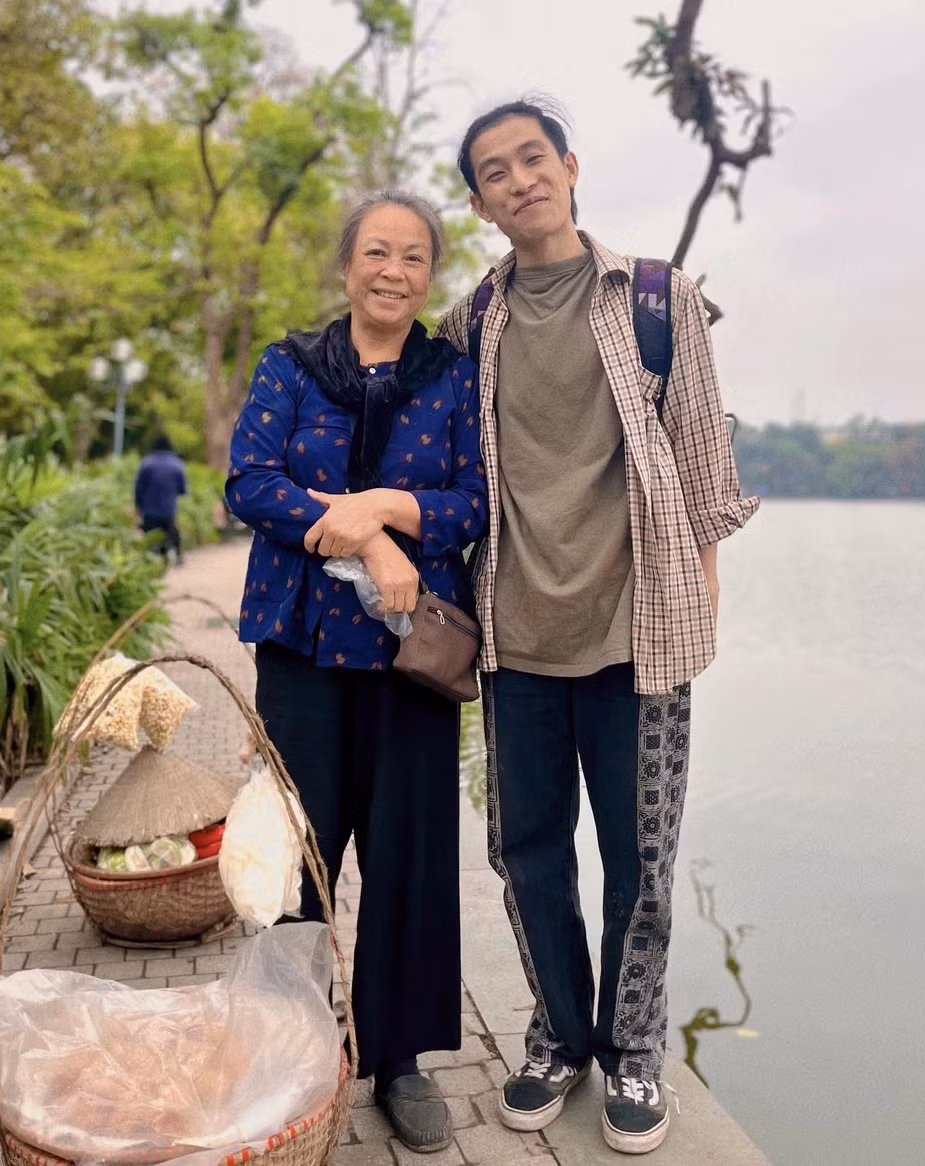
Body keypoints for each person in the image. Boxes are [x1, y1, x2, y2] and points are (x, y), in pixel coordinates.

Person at [436, 100, 759, 1154]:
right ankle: (558, 1035)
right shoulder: (472, 322)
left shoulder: (656, 298)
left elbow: (707, 460)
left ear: (569, 167)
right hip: (515, 631)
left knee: (640, 861)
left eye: (534, 156)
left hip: (638, 632)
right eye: (496, 170)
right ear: (480, 202)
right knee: (524, 852)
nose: (520, 178)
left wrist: (698, 596)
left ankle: (632, 1049)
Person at [225, 190, 487, 1154]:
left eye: (413, 258)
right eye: (376, 252)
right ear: (347, 266)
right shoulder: (291, 366)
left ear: (429, 277)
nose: (393, 271)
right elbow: (249, 482)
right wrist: (365, 542)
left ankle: (399, 1060)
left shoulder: (451, 376)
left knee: (410, 853)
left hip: (410, 655)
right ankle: (292, 1039)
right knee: (298, 850)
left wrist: (379, 512)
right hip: (301, 647)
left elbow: (472, 501)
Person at [134, 434, 188, 563]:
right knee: (171, 532)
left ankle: (150, 558)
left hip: (149, 510)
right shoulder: (177, 465)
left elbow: (138, 489)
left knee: (150, 535)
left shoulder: (146, 464)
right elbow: (182, 490)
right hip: (168, 509)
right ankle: (178, 555)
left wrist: (139, 506)